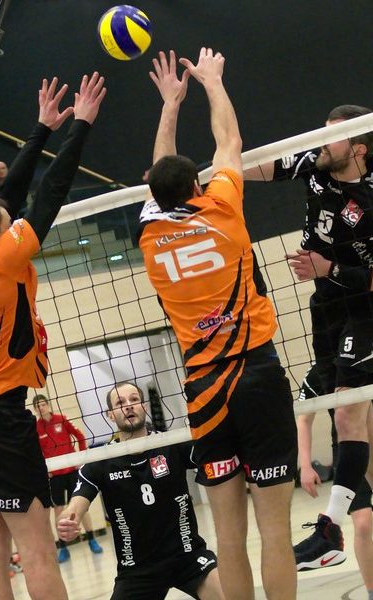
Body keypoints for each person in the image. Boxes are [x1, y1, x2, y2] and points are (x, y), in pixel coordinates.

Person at [138, 49, 297, 600]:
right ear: (197, 187)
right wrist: (211, 82)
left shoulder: (150, 233)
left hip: (204, 387)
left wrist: (169, 105)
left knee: (228, 537)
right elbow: (229, 141)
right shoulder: (222, 207)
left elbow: (161, 173)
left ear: (155, 195)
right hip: (256, 373)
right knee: (275, 530)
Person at [0, 72, 106, 600]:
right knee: (37, 552)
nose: (14, 224)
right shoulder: (2, 262)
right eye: (6, 225)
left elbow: (6, 198)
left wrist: (40, 130)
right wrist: (81, 125)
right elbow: (48, 196)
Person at [244, 104, 373, 570]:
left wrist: (329, 268)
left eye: (333, 136)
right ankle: (344, 531)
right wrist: (204, 178)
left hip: (365, 311)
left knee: (349, 411)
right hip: (326, 308)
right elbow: (262, 167)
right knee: (343, 414)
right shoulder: (315, 164)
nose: (321, 142)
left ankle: (328, 528)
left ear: (358, 149)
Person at [57, 381, 222, 600]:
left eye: (134, 400)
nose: (128, 405)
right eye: (120, 403)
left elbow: (214, 456)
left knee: (229, 594)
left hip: (188, 556)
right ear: (110, 415)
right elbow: (78, 500)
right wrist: (70, 518)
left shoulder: (171, 444)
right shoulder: (100, 462)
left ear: (144, 406)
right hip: (137, 570)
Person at [297, 365, 373, 596]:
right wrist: (306, 465)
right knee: (363, 523)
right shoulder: (320, 370)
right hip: (350, 451)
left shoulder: (364, 357)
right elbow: (304, 418)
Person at [32, 393, 103, 562]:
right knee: (58, 511)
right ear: (35, 410)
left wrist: (81, 458)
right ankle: (63, 548)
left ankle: (91, 539)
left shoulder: (62, 419)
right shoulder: (36, 428)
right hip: (54, 476)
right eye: (37, 406)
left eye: (43, 404)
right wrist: (45, 469)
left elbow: (80, 436)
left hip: (72, 471)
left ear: (48, 405)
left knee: (81, 507)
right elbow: (35, 451)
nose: (41, 408)